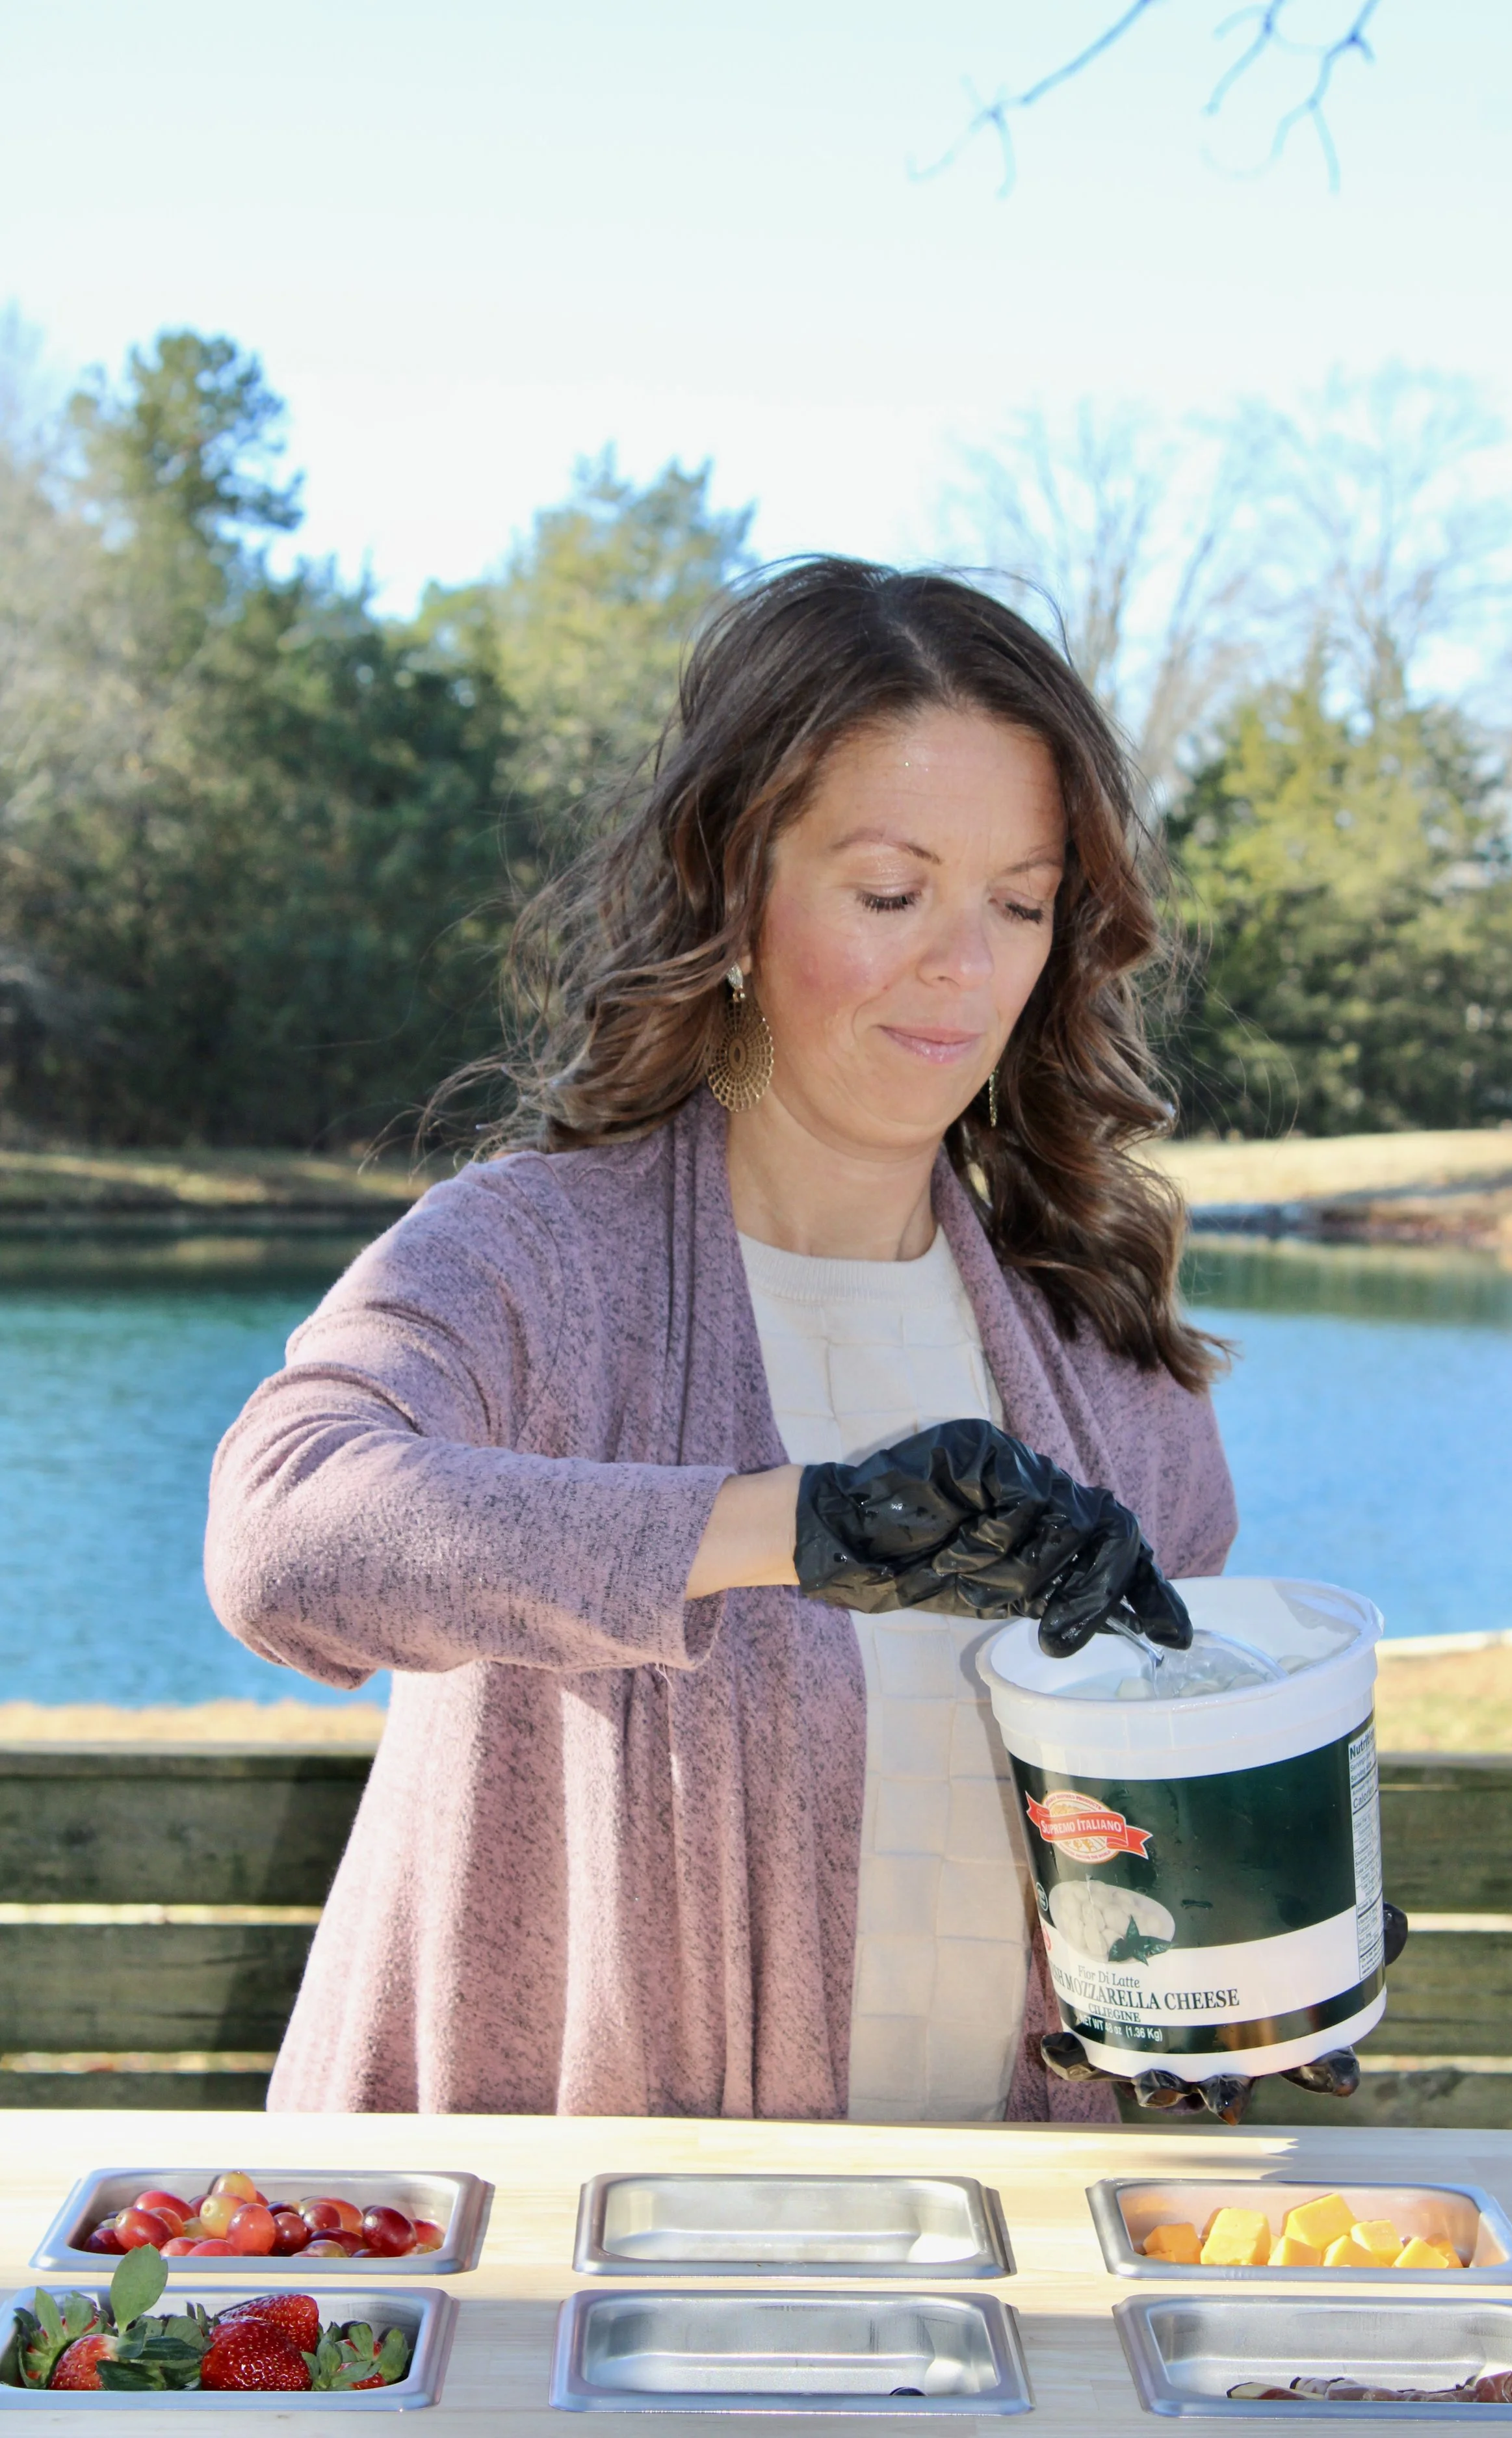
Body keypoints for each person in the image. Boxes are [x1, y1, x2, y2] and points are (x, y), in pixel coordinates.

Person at [205, 558, 1240, 2124]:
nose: (964, 968)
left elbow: (1170, 1824)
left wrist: (1245, 1975)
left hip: (1006, 2303)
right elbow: (283, 1541)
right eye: (890, 894)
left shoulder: (1105, 1369)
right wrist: (796, 1527)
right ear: (732, 880)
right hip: (566, 2287)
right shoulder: (529, 1261)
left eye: (1019, 902)